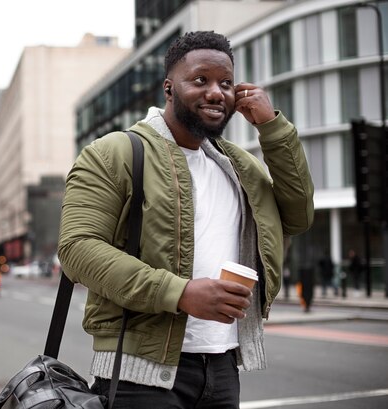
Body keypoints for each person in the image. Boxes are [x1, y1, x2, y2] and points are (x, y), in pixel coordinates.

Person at [58, 31, 314, 408]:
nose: (216, 92)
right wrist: (180, 293)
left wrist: (272, 127)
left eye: (226, 83)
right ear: (169, 88)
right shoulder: (115, 152)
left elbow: (298, 216)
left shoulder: (239, 166)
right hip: (136, 374)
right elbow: (78, 249)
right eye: (200, 80)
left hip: (224, 368)